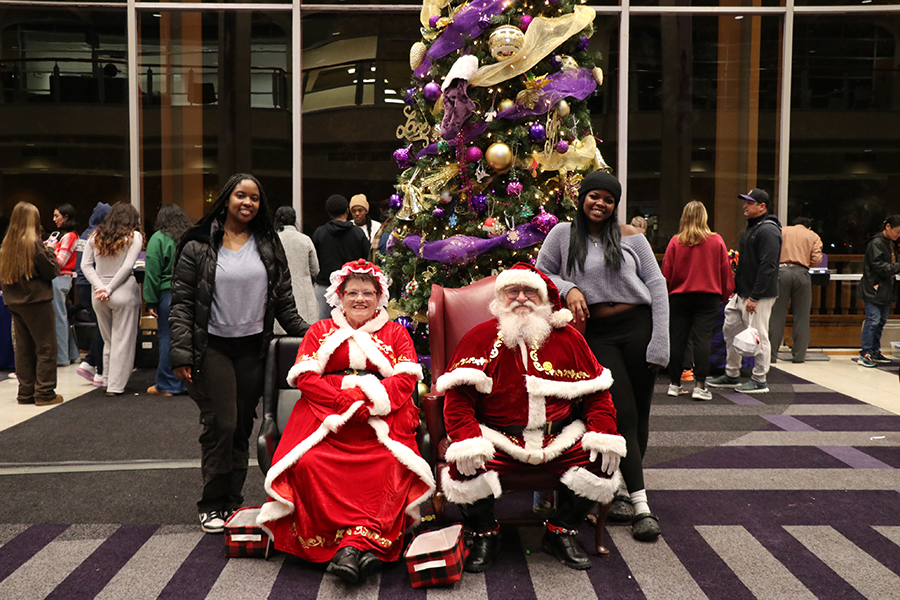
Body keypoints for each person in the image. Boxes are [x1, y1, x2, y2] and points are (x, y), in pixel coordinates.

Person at [436, 263, 624, 572]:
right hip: (499, 437)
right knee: (463, 463)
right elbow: (457, 402)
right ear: (500, 298)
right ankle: (486, 533)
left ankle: (560, 531)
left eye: (530, 292)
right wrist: (468, 440)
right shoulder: (479, 338)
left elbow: (598, 396)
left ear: (544, 298)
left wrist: (603, 433)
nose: (521, 298)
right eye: (513, 291)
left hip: (559, 437)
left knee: (600, 458)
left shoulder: (570, 340)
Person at [258, 259, 433, 584]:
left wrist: (372, 402)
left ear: (380, 296)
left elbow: (407, 380)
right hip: (326, 415)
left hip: (383, 417)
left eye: (368, 292)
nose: (360, 299)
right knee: (309, 463)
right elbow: (307, 378)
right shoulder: (320, 331)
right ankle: (362, 550)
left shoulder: (396, 333)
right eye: (352, 292)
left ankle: (350, 550)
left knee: (389, 464)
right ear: (340, 294)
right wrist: (341, 400)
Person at [169, 173, 311, 534]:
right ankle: (211, 502)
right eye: (240, 196)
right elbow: (183, 303)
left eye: (255, 198)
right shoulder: (198, 244)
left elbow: (285, 306)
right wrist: (182, 354)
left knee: (242, 428)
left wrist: (320, 334)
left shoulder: (268, 243)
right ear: (226, 199)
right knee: (222, 423)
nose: (247, 203)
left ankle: (230, 502)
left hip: (253, 350)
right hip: (211, 348)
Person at [536, 171, 668, 542]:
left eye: (608, 200)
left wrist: (661, 341)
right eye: (594, 196)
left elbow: (656, 284)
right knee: (620, 409)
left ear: (615, 205)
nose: (601, 204)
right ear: (582, 198)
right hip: (599, 334)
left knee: (640, 411)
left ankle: (625, 488)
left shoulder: (631, 237)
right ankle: (642, 505)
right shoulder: (563, 234)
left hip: (638, 325)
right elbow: (541, 272)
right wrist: (570, 286)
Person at [708, 188, 782, 394]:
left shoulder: (768, 230)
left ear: (762, 206)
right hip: (742, 293)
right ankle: (732, 374)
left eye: (750, 202)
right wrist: (737, 290)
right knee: (730, 329)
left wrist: (755, 296)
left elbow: (768, 266)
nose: (745, 205)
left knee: (759, 336)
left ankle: (760, 379)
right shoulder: (753, 228)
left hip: (759, 295)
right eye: (745, 202)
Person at [662, 201, 734, 401]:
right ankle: (700, 386)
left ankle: (674, 384)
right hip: (707, 296)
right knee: (702, 340)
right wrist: (726, 293)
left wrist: (666, 293)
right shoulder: (716, 241)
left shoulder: (676, 241)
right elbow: (725, 271)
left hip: (679, 297)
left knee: (677, 340)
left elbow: (666, 273)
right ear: (704, 217)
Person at [0, 202, 62, 406]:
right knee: (46, 347)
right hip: (36, 301)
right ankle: (44, 392)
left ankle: (25, 392)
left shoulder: (6, 245)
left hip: (14, 302)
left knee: (23, 348)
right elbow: (51, 271)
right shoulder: (34, 244)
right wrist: (50, 250)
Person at [81, 202, 144, 397]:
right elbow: (127, 267)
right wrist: (109, 288)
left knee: (108, 340)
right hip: (123, 291)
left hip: (98, 294)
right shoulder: (134, 237)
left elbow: (86, 265)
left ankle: (106, 378)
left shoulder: (95, 236)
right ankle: (115, 387)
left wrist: (100, 287)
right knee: (122, 341)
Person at [143, 204, 193, 397]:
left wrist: (151, 301)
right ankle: (188, 383)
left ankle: (167, 385)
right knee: (188, 337)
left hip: (168, 294)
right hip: (190, 293)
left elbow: (152, 273)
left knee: (168, 338)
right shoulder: (190, 236)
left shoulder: (158, 238)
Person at [768, 217, 823, 364]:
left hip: (781, 272)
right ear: (808, 227)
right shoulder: (812, 236)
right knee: (802, 316)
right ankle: (798, 356)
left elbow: (771, 251)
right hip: (802, 274)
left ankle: (771, 355)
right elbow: (817, 259)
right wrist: (805, 264)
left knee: (776, 315)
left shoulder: (782, 231)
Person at [311, 195, 370, 320]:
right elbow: (365, 260)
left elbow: (313, 261)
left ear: (329, 213)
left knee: (323, 329)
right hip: (351, 288)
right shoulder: (358, 233)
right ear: (347, 211)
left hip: (324, 288)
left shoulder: (319, 233)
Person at [856, 215, 900, 368]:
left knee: (880, 322)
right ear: (887, 227)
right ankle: (865, 353)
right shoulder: (876, 243)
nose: (898, 236)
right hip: (874, 288)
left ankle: (874, 350)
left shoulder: (890, 244)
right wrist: (897, 267)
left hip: (887, 289)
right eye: (897, 231)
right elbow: (879, 266)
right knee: (872, 321)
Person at [75, 202, 111, 386]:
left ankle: (89, 363)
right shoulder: (97, 235)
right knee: (103, 328)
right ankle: (99, 369)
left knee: (100, 326)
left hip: (80, 284)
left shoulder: (84, 233)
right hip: (92, 284)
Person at [46, 203, 81, 366]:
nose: (54, 220)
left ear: (66, 217)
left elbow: (60, 262)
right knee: (62, 317)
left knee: (58, 318)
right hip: (61, 279)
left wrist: (49, 251)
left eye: (56, 216)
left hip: (59, 278)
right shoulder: (63, 235)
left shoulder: (68, 236)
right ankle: (72, 354)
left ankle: (61, 358)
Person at [273, 206, 319, 327]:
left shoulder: (272, 240)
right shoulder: (305, 240)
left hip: (279, 297)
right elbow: (315, 269)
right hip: (304, 298)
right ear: (294, 220)